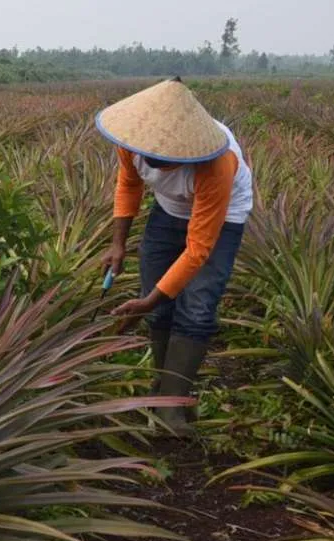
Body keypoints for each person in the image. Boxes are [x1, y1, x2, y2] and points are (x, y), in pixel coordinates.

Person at [94, 77, 254, 436]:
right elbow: (129, 185)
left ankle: (173, 405)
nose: (154, 161)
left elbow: (198, 248)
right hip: (168, 211)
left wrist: (149, 300)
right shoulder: (133, 141)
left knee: (197, 305)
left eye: (165, 159)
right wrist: (118, 244)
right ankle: (161, 391)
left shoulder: (216, 162)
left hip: (222, 215)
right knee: (160, 299)